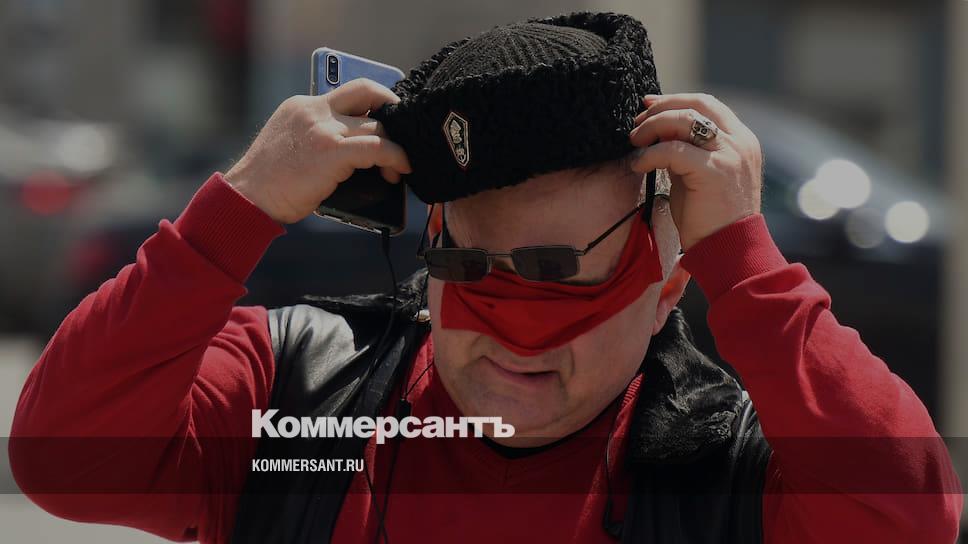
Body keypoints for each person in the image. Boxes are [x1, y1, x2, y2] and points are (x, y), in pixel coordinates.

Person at [9, 11, 962, 544]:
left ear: (667, 292)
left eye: (559, 271)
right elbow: (65, 461)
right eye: (467, 264)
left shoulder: (725, 466)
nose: (511, 325)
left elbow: (909, 518)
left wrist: (748, 264)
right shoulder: (297, 397)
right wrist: (240, 208)